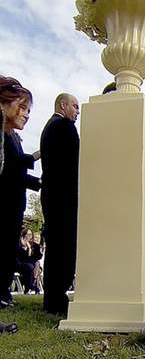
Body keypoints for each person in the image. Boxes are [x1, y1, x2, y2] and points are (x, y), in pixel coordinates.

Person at [0, 76, 40, 308]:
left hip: (14, 203)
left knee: (7, 249)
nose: (26, 114)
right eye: (22, 107)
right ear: (4, 103)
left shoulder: (13, 136)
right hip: (5, 202)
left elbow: (16, 169)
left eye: (28, 109)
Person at [40, 93, 80, 315]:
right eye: (75, 106)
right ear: (63, 105)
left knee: (56, 248)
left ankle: (52, 298)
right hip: (64, 198)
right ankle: (56, 299)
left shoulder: (49, 127)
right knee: (64, 248)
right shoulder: (64, 126)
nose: (77, 111)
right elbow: (76, 162)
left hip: (52, 196)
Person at [15, 228, 42, 293]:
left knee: (35, 265)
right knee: (32, 267)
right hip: (20, 264)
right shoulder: (19, 244)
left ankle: (31, 286)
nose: (30, 236)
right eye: (28, 234)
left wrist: (30, 248)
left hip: (32, 264)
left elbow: (38, 256)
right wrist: (26, 248)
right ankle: (33, 286)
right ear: (24, 235)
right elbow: (20, 258)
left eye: (31, 234)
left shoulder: (34, 245)